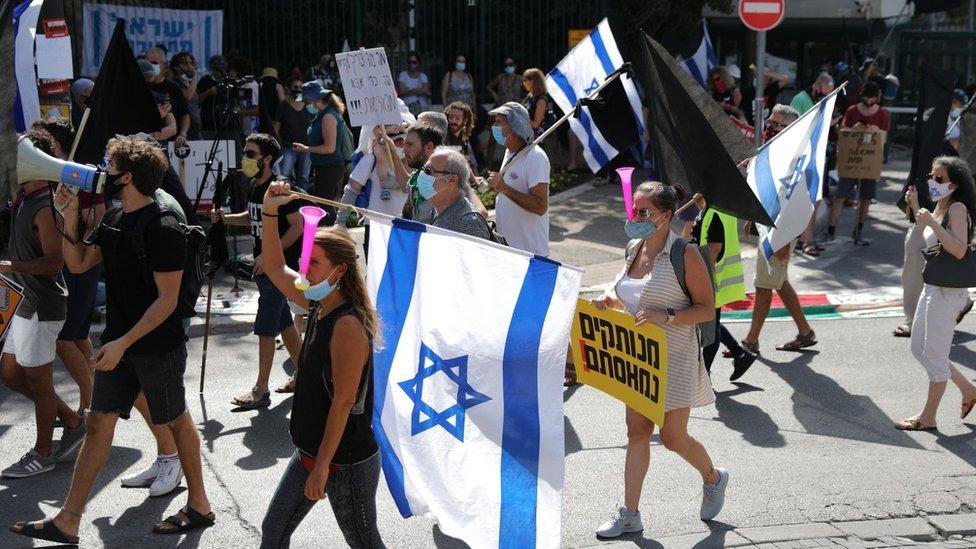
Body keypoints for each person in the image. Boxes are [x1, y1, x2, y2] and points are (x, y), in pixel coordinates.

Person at [11, 137, 214, 545]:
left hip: (157, 345)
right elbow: (79, 262)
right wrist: (68, 219)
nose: (103, 171)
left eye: (110, 165)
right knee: (100, 422)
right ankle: (68, 520)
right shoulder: (117, 217)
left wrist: (123, 342)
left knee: (175, 418)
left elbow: (168, 301)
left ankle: (200, 505)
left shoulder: (163, 226)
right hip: (121, 342)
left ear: (129, 177)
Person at [592, 181, 727, 538]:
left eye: (644, 212)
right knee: (637, 432)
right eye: (634, 210)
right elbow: (629, 295)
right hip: (638, 359)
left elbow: (705, 309)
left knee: (671, 437)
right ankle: (630, 513)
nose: (635, 217)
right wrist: (609, 298)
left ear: (667, 216)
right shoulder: (633, 247)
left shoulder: (686, 253)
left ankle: (713, 478)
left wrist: (664, 315)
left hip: (677, 357)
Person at [257, 182, 384, 548]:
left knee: (362, 540)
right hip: (312, 450)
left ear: (339, 271)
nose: (304, 267)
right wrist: (269, 211)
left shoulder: (347, 324)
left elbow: (344, 402)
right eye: (306, 258)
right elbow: (273, 265)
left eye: (313, 262)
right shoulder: (318, 303)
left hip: (343, 459)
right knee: (274, 530)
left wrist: (323, 466)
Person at [0, 130, 84, 479]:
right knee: (9, 374)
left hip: (41, 306)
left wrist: (12, 266)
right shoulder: (23, 199)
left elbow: (55, 262)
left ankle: (44, 452)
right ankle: (71, 420)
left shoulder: (45, 206)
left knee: (40, 381)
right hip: (24, 304)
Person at [211, 134, 304, 406]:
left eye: (251, 154)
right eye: (245, 153)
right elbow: (252, 216)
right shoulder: (255, 186)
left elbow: (297, 226)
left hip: (279, 268)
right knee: (284, 323)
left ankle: (261, 390)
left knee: (266, 326)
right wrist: (227, 218)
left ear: (268, 159)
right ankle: (304, 374)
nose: (245, 159)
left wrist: (268, 254)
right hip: (263, 267)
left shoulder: (280, 190)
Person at [896, 156, 976, 431]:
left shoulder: (957, 208)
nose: (933, 181)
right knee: (920, 348)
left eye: (940, 178)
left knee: (934, 353)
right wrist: (917, 207)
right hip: (932, 286)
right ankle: (968, 389)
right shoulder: (941, 207)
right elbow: (922, 241)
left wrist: (932, 222)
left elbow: (959, 249)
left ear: (955, 183)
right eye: (932, 176)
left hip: (948, 292)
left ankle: (928, 417)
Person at [31, 119, 103, 417]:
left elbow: (97, 219)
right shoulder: (48, 176)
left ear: (56, 147)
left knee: (64, 338)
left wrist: (72, 218)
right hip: (62, 268)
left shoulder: (77, 175)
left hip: (79, 265)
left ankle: (92, 409)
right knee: (76, 335)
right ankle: (94, 403)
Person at [742, 105, 818, 355]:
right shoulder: (776, 151)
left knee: (764, 283)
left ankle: (751, 342)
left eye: (775, 125)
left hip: (781, 232)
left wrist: (786, 239)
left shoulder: (796, 159)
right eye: (768, 123)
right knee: (777, 280)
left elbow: (798, 204)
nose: (768, 128)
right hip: (770, 227)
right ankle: (805, 332)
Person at [687, 193, 756, 380]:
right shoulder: (714, 207)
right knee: (712, 323)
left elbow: (715, 248)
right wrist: (702, 205)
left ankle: (704, 374)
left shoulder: (716, 211)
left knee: (710, 328)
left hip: (713, 277)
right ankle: (740, 354)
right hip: (716, 276)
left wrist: (700, 276)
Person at [336, 110, 416, 255]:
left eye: (403, 141)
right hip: (375, 229)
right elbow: (351, 191)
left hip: (404, 229)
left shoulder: (415, 163)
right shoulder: (370, 161)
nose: (398, 145)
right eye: (394, 140)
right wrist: (340, 222)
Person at [828, 81, 889, 245]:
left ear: (877, 97)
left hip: (869, 163)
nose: (869, 102)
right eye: (866, 98)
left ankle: (859, 230)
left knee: (865, 199)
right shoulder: (852, 111)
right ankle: (830, 231)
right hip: (851, 161)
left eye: (872, 99)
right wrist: (852, 129)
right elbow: (842, 132)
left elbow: (884, 138)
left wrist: (877, 132)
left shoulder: (882, 114)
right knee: (840, 196)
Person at [487, 102, 551, 257]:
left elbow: (541, 206)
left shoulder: (535, 157)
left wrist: (504, 188)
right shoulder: (509, 152)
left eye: (499, 122)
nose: (494, 127)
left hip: (530, 253)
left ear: (516, 126)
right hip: (509, 250)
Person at [792, 73, 836, 256]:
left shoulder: (817, 101)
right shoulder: (801, 100)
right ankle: (803, 239)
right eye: (824, 92)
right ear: (818, 86)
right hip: (803, 157)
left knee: (815, 198)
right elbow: (794, 126)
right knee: (806, 199)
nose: (825, 96)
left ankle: (806, 238)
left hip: (816, 156)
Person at [293, 81, 350, 219]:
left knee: (323, 206)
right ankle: (334, 232)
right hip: (324, 166)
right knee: (323, 204)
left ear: (316, 100)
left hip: (330, 166)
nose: (305, 105)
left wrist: (306, 149)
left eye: (306, 101)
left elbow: (329, 148)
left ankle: (334, 234)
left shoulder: (328, 117)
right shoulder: (322, 114)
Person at [422, 148, 491, 239]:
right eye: (423, 170)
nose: (422, 175)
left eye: (428, 171)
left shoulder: (469, 222)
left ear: (452, 180)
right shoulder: (436, 210)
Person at [138, 58, 190, 149]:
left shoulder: (160, 97)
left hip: (158, 150)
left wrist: (149, 137)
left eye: (151, 76)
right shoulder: (125, 98)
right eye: (146, 77)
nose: (150, 80)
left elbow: (172, 128)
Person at [274, 76, 313, 190]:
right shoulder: (283, 105)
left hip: (306, 148)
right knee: (284, 177)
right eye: (295, 87)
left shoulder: (308, 106)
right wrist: (280, 144)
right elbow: (276, 127)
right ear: (289, 88)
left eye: (301, 87)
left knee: (303, 178)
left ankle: (302, 202)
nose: (298, 89)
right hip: (288, 147)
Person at [486, 58, 524, 165]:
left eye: (511, 64)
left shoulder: (520, 79)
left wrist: (522, 101)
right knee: (493, 138)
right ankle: (488, 164)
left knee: (514, 137)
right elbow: (489, 86)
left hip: (514, 112)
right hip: (500, 109)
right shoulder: (501, 77)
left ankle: (512, 162)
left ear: (515, 66)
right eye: (506, 65)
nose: (509, 66)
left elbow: (527, 91)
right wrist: (495, 95)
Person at [170, 52, 202, 139]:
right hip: (182, 129)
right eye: (185, 64)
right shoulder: (174, 83)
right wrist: (195, 76)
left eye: (191, 63)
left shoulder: (191, 83)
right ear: (177, 67)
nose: (190, 66)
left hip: (195, 129)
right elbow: (187, 96)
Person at [197, 54, 228, 137]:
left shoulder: (228, 80)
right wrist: (208, 92)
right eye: (216, 70)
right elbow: (197, 102)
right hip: (209, 125)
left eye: (221, 70)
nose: (219, 73)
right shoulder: (204, 81)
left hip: (228, 125)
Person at [522, 68, 554, 138]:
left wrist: (521, 119)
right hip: (526, 134)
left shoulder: (541, 100)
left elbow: (536, 124)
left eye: (525, 80)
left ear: (533, 81)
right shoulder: (530, 95)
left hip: (536, 138)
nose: (523, 83)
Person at [444, 101, 477, 170]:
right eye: (451, 117)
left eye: (457, 118)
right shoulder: (444, 137)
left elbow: (468, 162)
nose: (453, 121)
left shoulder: (463, 138)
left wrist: (476, 178)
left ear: (465, 120)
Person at [397, 51, 430, 116]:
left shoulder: (423, 76)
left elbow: (425, 90)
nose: (412, 64)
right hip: (406, 108)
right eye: (410, 62)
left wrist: (408, 89)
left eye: (414, 62)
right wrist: (418, 90)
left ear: (418, 63)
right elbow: (401, 91)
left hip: (421, 107)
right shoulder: (403, 75)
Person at [259, 67, 286, 135]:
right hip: (275, 116)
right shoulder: (278, 86)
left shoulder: (260, 86)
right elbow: (282, 102)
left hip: (263, 116)